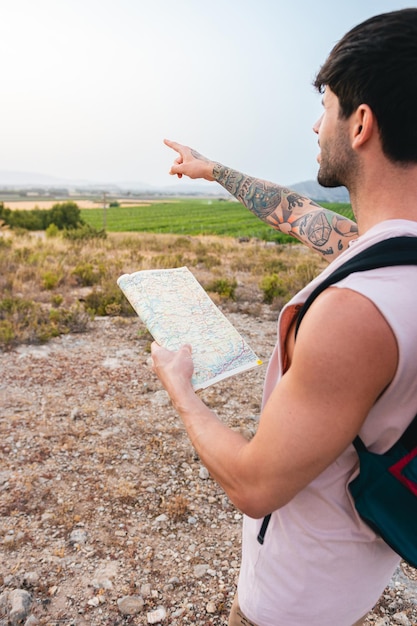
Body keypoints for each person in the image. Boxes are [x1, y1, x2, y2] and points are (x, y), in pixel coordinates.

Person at [150, 9, 417, 626]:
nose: (314, 123)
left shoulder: (357, 314)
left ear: (360, 124)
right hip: (352, 579)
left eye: (325, 105)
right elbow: (305, 217)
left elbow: (253, 486)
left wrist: (181, 389)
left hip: (292, 605)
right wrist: (213, 169)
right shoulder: (399, 260)